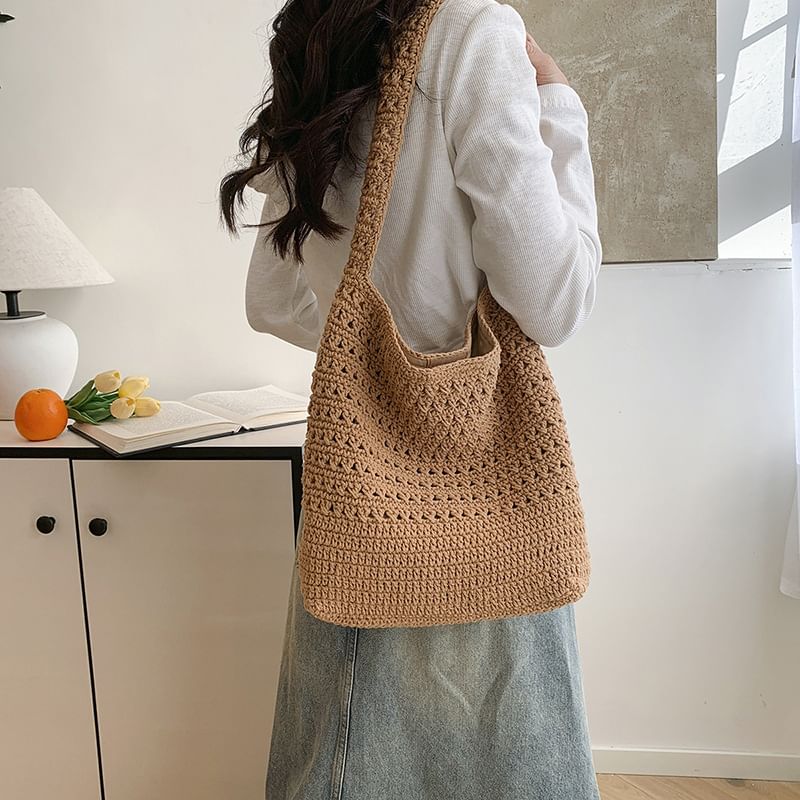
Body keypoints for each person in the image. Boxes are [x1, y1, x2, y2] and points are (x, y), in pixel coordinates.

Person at [219, 0, 603, 797]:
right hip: (488, 509)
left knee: (340, 760)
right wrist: (562, 111)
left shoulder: (318, 40)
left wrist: (372, 350)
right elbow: (555, 303)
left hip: (361, 502)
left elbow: (272, 302)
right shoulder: (473, 31)